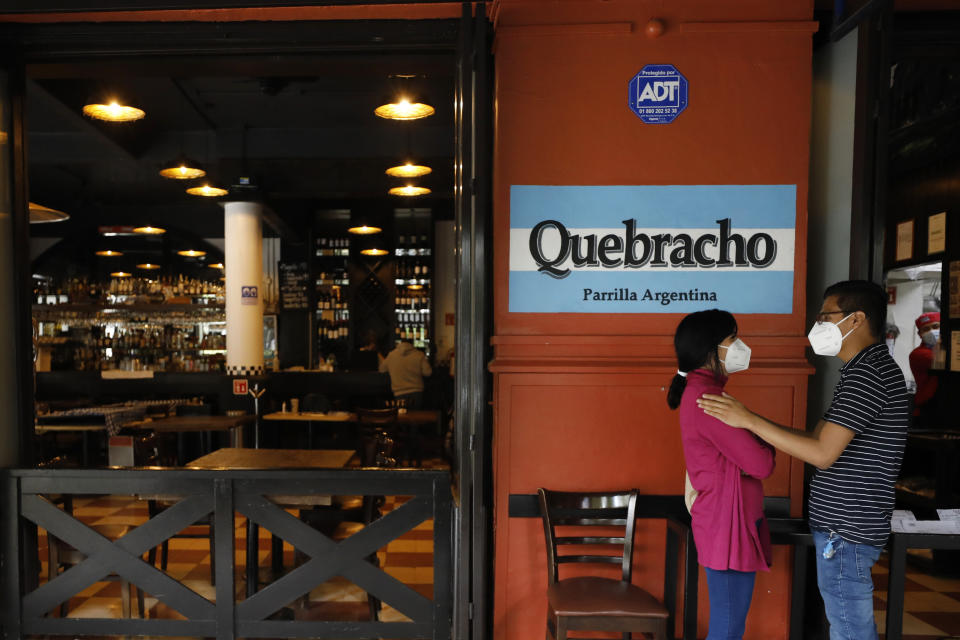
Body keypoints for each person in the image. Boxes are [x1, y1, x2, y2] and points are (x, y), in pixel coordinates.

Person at [697, 280, 909, 640]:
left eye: (826, 316)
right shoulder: (859, 370)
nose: (818, 325)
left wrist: (748, 420)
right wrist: (753, 426)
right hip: (842, 527)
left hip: (848, 529)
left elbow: (822, 454)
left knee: (850, 629)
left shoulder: (869, 375)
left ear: (855, 320)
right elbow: (816, 438)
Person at [667, 309, 775, 640]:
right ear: (710, 348)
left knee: (728, 624)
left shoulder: (707, 393)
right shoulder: (709, 399)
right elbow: (761, 465)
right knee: (728, 628)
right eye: (732, 339)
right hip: (727, 525)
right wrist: (764, 438)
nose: (740, 346)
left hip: (727, 520)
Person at [379, 338, 432, 410]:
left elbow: (381, 369)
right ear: (412, 344)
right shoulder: (419, 354)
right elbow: (428, 373)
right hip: (416, 392)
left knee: (402, 418)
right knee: (416, 417)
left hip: (399, 392)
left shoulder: (391, 355)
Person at [908, 311, 939, 418]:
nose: (932, 331)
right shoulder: (918, 354)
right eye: (926, 329)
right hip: (928, 409)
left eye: (936, 326)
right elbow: (945, 362)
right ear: (920, 334)